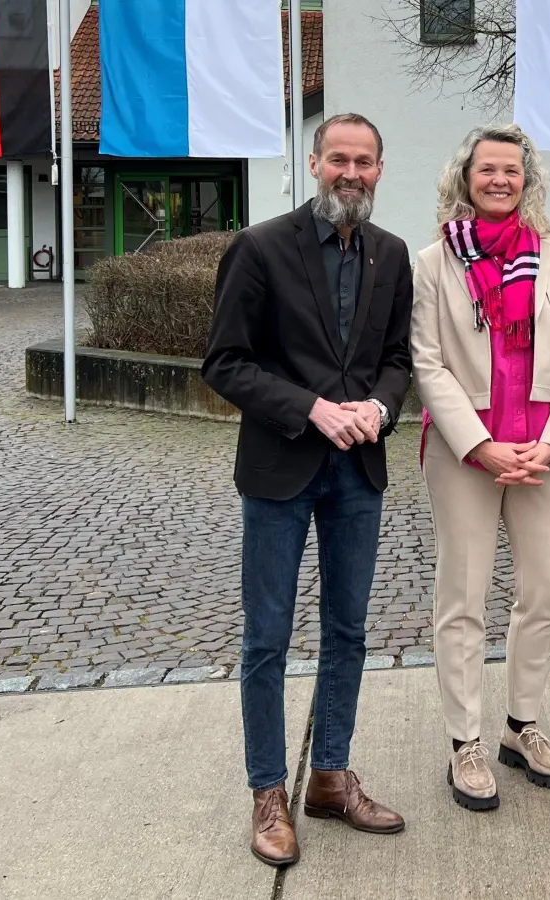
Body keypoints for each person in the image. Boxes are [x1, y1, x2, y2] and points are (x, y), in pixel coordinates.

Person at [203, 112, 410, 867]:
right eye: (338, 160)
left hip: (357, 469)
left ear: (380, 170)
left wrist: (380, 408)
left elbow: (396, 358)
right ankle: (267, 792)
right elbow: (224, 362)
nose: (351, 173)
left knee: (349, 631)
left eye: (365, 162)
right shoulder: (259, 248)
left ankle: (328, 775)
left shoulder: (390, 254)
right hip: (281, 466)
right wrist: (313, 409)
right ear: (314, 162)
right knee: (267, 638)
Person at [410, 124, 550, 812]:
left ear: (527, 179)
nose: (499, 180)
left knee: (543, 590)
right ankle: (465, 741)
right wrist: (480, 443)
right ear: (466, 178)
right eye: (486, 169)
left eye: (510, 171)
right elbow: (426, 362)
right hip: (467, 454)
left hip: (544, 452)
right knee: (463, 597)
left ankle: (522, 726)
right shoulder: (434, 263)